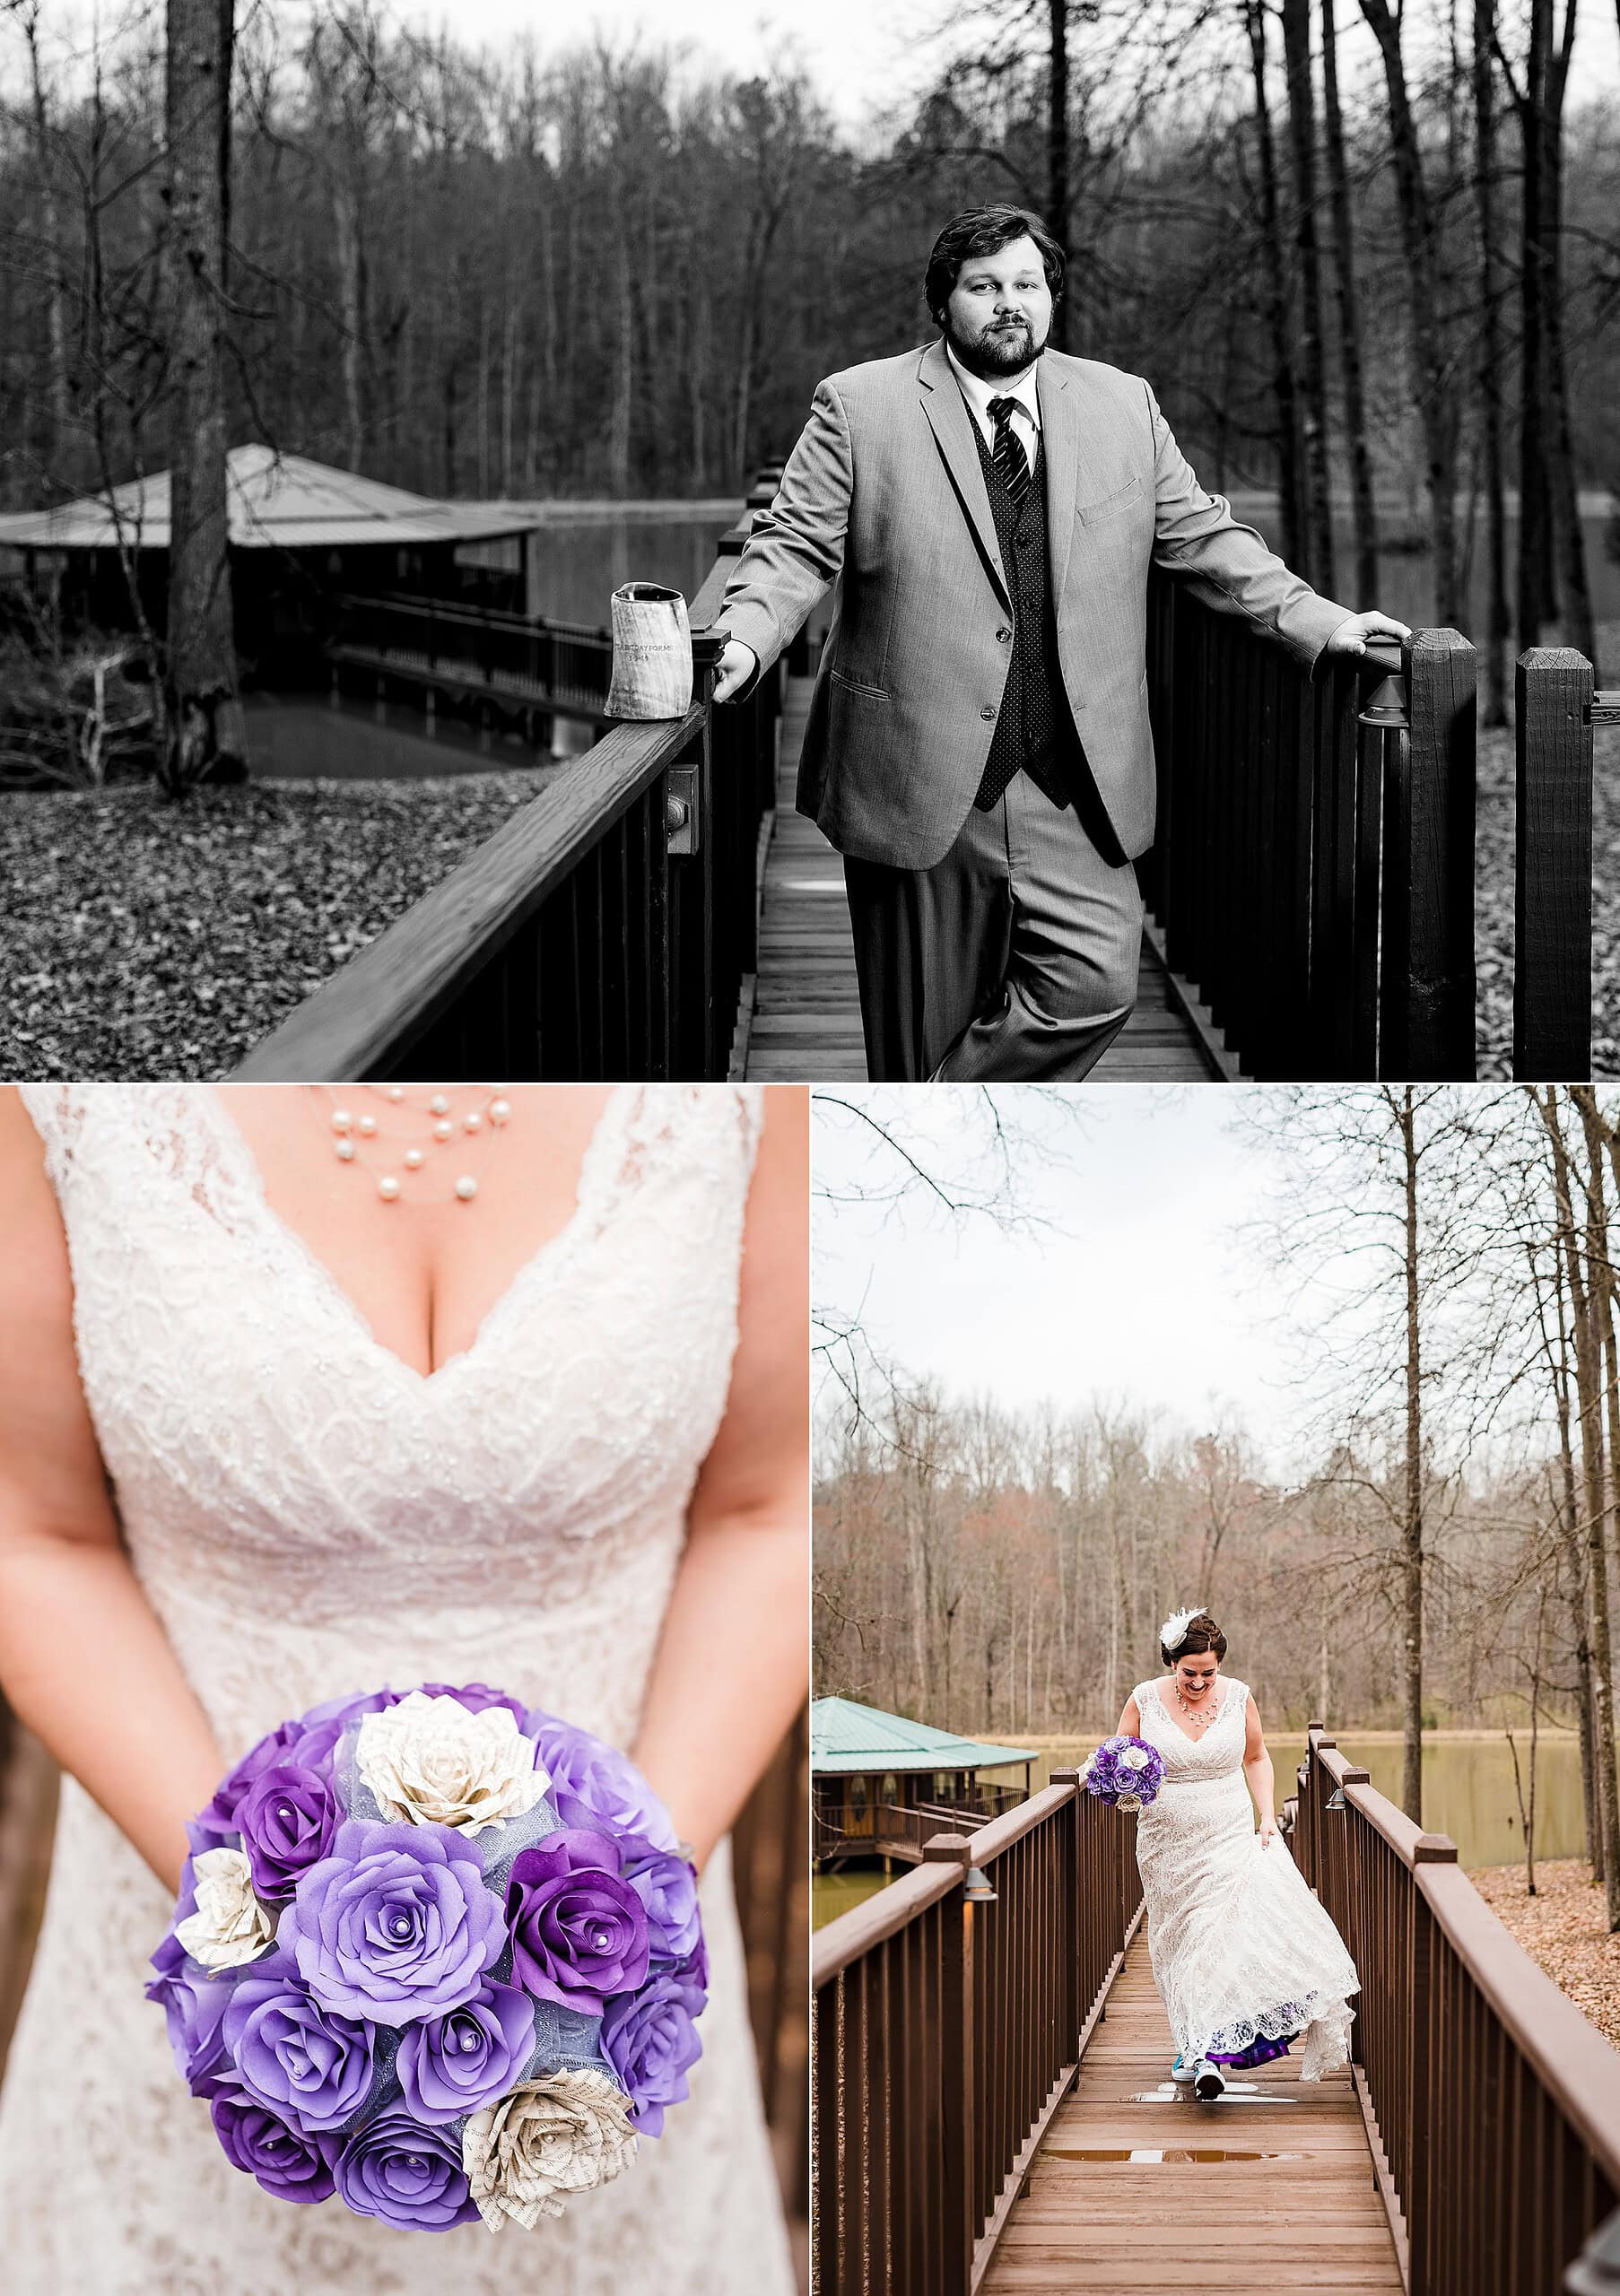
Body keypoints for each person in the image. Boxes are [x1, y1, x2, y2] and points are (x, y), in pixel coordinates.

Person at [0, 1082, 807, 2294]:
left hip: (607, 1979)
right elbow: (33, 1532)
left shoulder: (752, 1098)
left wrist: (623, 1913)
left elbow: (766, 1508)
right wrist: (248, 1928)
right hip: (185, 1956)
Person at [711, 203, 1411, 1083]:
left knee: (1097, 985)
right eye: (985, 286)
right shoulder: (859, 407)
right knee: (917, 1037)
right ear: (944, 303)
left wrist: (1327, 624)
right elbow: (794, 544)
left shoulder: (1123, 405)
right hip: (917, 776)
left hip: (1073, 781)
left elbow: (1202, 536)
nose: (1010, 303)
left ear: (1052, 298)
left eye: (1027, 284)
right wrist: (741, 638)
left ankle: (923, 1122)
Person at [1116, 1605, 1359, 2100]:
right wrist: (1111, 1780)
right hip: (1164, 1843)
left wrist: (1267, 1815)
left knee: (1214, 1936)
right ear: (1171, 1663)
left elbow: (1256, 1757)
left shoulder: (1240, 1697)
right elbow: (1118, 1755)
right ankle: (1190, 2040)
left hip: (1227, 1833)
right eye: (1190, 1673)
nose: (1201, 1682)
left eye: (1209, 1672)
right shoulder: (1144, 1699)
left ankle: (1208, 2052)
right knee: (1177, 1943)